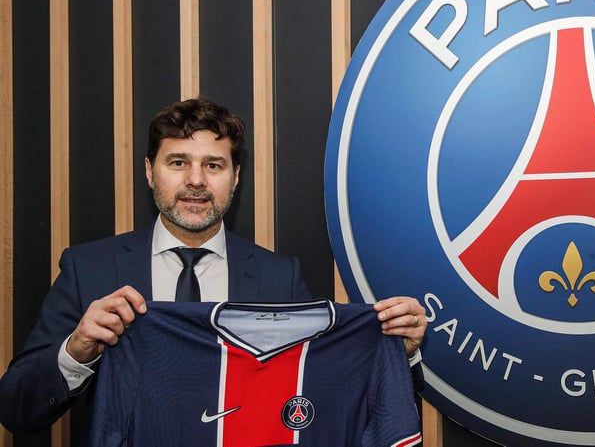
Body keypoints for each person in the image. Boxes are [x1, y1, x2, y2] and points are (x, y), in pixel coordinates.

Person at [0, 97, 427, 439]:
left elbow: (332, 397)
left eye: (213, 165)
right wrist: (75, 352)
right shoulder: (89, 270)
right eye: (178, 162)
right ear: (149, 172)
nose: (196, 181)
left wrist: (398, 353)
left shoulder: (279, 279)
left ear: (235, 177)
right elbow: (16, 411)